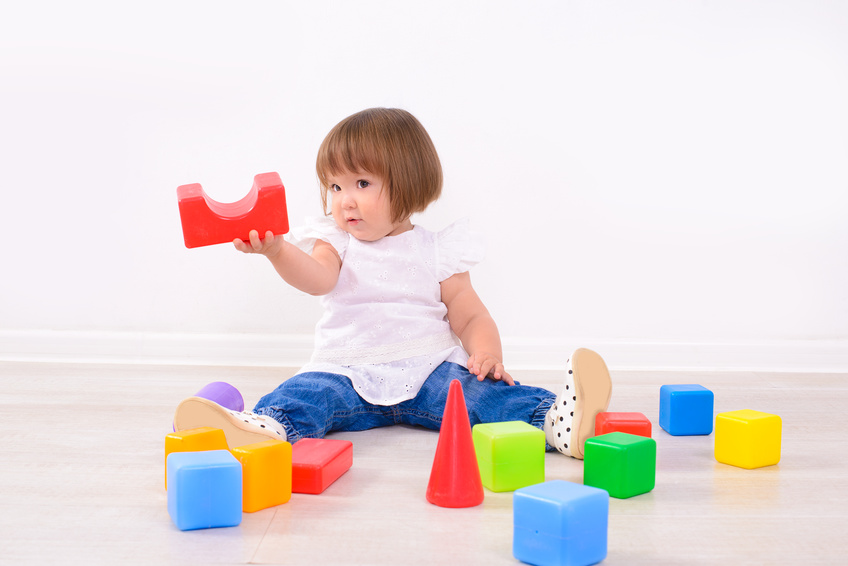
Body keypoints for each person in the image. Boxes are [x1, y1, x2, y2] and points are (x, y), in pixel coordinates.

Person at [173, 108, 611, 459]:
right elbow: (317, 279)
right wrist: (277, 250)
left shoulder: (439, 249)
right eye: (334, 185)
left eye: (361, 183)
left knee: (480, 395)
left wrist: (486, 352)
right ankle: (266, 429)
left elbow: (470, 312)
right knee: (306, 395)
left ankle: (555, 420)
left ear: (407, 184)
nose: (344, 199)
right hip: (345, 369)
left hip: (428, 368)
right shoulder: (334, 241)